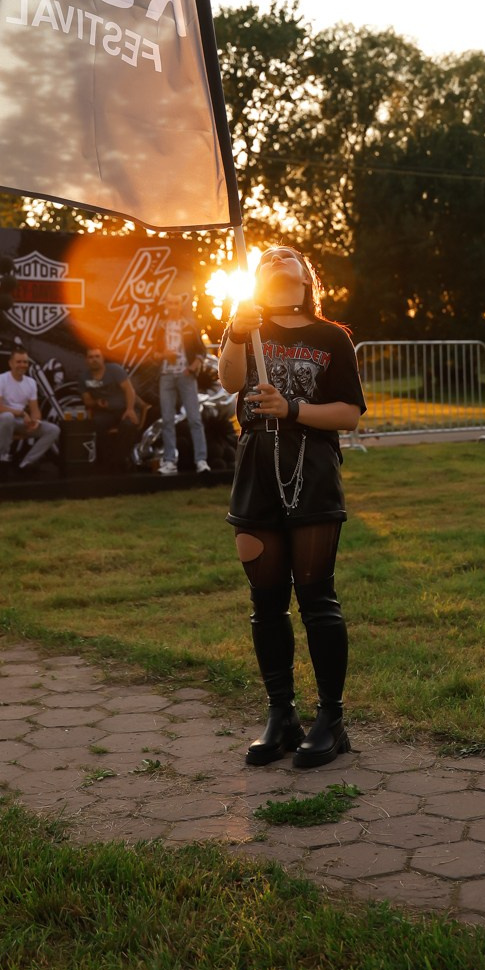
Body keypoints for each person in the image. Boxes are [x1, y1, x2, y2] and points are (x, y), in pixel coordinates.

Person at [218, 245, 366, 769]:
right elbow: (230, 381)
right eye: (268, 257)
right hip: (256, 471)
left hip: (313, 473)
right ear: (256, 278)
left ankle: (331, 719)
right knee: (266, 602)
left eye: (289, 256)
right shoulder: (246, 327)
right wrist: (236, 331)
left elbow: (349, 414)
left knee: (316, 597)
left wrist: (294, 407)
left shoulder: (331, 337)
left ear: (307, 277)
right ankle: (281, 715)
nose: (279, 258)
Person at [157, 292, 210, 475]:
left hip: (186, 375)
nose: (172, 306)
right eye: (170, 302)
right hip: (166, 374)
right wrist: (164, 354)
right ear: (165, 304)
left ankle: (201, 461)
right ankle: (170, 461)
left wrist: (194, 366)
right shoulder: (160, 326)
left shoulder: (189, 325)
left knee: (194, 418)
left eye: (176, 302)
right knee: (167, 420)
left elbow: (201, 351)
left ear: (181, 305)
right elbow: (151, 354)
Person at [0, 349, 60, 472]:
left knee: (53, 430)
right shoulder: (0, 380)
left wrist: (36, 421)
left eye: (25, 362)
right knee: (7, 417)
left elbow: (35, 409)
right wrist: (21, 413)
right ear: (10, 363)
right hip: (0, 421)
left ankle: (26, 463)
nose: (22, 365)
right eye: (19, 362)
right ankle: (3, 457)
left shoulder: (31, 383)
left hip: (20, 422)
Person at [82, 347, 141, 469]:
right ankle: (108, 461)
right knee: (96, 424)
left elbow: (129, 390)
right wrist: (96, 402)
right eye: (91, 357)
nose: (94, 360)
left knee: (128, 425)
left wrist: (130, 409)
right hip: (105, 413)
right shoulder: (84, 377)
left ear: (103, 359)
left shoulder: (115, 370)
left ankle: (121, 460)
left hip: (124, 408)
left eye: (97, 356)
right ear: (86, 360)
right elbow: (87, 400)